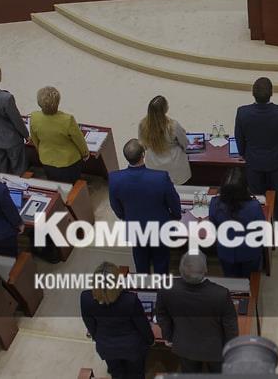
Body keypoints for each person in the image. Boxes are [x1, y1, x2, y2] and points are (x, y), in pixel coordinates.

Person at [155, 253, 239, 373]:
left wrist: (168, 336)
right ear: (205, 270)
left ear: (180, 270)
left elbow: (162, 315)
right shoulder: (220, 294)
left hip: (185, 346)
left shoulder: (166, 288)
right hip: (215, 349)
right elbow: (230, 326)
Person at [108, 139, 180, 274]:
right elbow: (173, 201)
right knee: (161, 259)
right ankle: (161, 282)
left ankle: (143, 282)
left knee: (140, 258)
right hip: (159, 228)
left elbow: (115, 205)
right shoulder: (160, 177)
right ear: (143, 154)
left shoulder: (114, 178)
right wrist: (176, 215)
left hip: (135, 227)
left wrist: (125, 217)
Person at [80, 261, 154, 378]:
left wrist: (98, 338)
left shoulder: (86, 298)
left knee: (116, 373)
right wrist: (150, 340)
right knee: (136, 373)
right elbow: (142, 325)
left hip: (106, 346)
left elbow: (90, 325)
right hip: (132, 347)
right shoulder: (130, 300)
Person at [234, 77, 278, 222]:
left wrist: (242, 153)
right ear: (271, 93)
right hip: (277, 161)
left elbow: (239, 137)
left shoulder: (243, 112)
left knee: (256, 194)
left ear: (253, 93)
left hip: (253, 161)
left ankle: (259, 218)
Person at [208, 167, 264, 277]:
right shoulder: (254, 207)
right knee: (249, 278)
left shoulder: (215, 204)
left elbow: (213, 227)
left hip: (226, 251)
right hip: (249, 251)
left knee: (230, 278)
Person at [28, 86, 89, 183]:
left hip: (47, 159)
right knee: (72, 184)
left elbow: (35, 140)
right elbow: (79, 139)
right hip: (69, 161)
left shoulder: (34, 117)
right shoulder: (67, 119)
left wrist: (41, 151)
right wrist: (85, 153)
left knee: (55, 183)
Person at [138, 95, 191, 185]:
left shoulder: (142, 124)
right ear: (165, 109)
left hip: (153, 166)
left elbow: (143, 145)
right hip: (174, 167)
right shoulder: (173, 125)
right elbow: (185, 143)